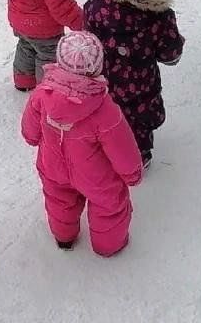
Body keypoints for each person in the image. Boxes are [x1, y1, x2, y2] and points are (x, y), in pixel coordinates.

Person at [19, 31, 143, 257]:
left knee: (59, 201)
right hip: (94, 175)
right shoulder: (104, 109)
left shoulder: (42, 93)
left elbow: (30, 129)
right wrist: (132, 173)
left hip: (53, 166)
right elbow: (121, 147)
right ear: (96, 68)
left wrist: (32, 137)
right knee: (109, 206)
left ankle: (63, 236)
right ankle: (108, 247)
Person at [83, 0, 183, 166]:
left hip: (104, 78)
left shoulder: (96, 7)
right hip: (141, 83)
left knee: (106, 113)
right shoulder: (159, 16)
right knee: (139, 118)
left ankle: (107, 146)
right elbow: (170, 53)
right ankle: (139, 155)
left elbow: (87, 40)